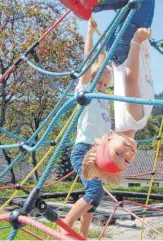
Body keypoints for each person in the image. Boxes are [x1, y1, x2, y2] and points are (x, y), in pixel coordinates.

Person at [57, 0, 155, 180]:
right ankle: (91, 4)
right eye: (127, 160)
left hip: (126, 48)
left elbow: (129, 76)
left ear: (105, 141)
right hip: (117, 50)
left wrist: (137, 41)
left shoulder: (133, 120)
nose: (128, 153)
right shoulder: (117, 123)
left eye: (118, 153)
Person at [61, 20, 113, 239]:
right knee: (94, 191)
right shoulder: (86, 92)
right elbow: (89, 61)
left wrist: (104, 47)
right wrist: (91, 34)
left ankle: (82, 235)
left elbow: (102, 63)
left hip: (98, 154)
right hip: (83, 150)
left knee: (95, 196)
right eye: (97, 81)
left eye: (104, 83)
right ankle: (64, 226)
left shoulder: (105, 100)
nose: (100, 85)